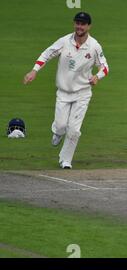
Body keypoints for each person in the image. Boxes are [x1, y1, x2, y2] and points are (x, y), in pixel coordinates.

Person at [23, 12, 109, 169]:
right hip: (63, 92)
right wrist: (34, 70)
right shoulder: (64, 41)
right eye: (77, 23)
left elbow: (105, 67)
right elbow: (46, 54)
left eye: (83, 24)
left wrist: (97, 77)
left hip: (82, 93)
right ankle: (57, 131)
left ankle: (65, 160)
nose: (79, 26)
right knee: (62, 126)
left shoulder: (94, 46)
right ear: (74, 24)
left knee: (74, 130)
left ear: (89, 26)